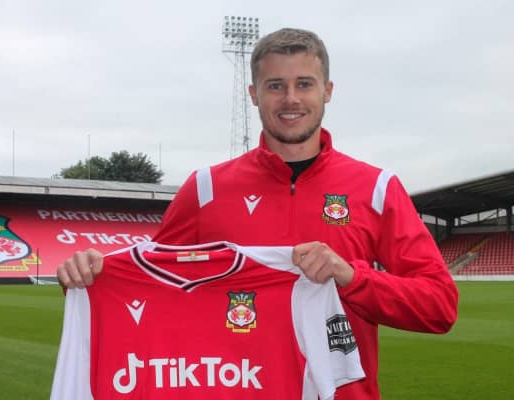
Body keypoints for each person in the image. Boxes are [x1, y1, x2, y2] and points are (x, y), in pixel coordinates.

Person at [57, 28, 458, 399]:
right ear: (253, 94)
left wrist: (350, 276)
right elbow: (153, 288)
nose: (291, 99)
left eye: (304, 84)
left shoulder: (376, 188)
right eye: (275, 86)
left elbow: (440, 307)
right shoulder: (205, 189)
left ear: (328, 90)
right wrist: (90, 277)